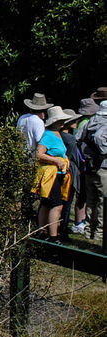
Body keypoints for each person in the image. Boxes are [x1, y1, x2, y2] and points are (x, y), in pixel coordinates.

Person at [32, 106, 74, 238]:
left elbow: (59, 151)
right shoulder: (49, 135)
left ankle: (42, 232)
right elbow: (39, 154)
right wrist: (56, 161)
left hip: (58, 174)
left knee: (46, 204)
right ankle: (53, 235)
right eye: (60, 120)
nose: (63, 123)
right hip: (50, 174)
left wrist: (64, 158)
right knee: (57, 205)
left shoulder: (57, 134)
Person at [73, 97, 107, 240]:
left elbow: (78, 139)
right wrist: (104, 152)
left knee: (91, 200)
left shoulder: (90, 122)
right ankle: (99, 233)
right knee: (103, 201)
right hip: (103, 167)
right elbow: (100, 138)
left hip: (89, 166)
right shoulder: (105, 123)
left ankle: (89, 230)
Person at [18, 92, 53, 158]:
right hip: (32, 157)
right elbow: (39, 141)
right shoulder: (38, 121)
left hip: (21, 155)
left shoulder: (22, 118)